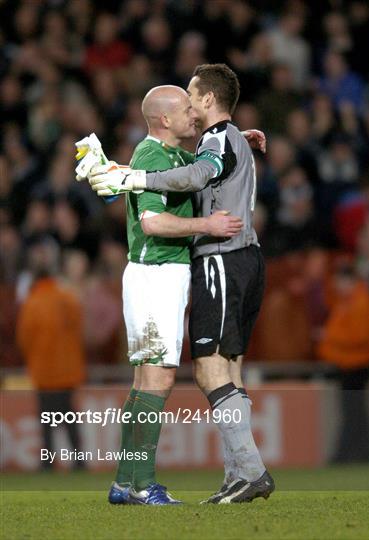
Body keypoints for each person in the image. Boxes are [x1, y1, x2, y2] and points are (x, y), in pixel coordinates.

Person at [88, 64, 275, 503]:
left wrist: (235, 139)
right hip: (155, 276)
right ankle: (140, 482)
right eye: (184, 105)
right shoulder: (154, 155)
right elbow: (152, 222)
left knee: (158, 378)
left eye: (195, 99)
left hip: (186, 272)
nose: (192, 110)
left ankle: (129, 481)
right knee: (158, 379)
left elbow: (204, 167)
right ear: (165, 120)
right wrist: (204, 219)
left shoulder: (182, 153)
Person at [16, 237, 86, 470]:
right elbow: (79, 330)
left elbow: (24, 339)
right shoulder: (68, 298)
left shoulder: (33, 302)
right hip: (69, 372)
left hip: (45, 373)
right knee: (70, 420)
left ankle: (48, 462)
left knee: (47, 421)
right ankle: (79, 461)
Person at [317, 263, 369, 462]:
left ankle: (348, 455)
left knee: (354, 413)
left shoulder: (360, 303)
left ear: (350, 281)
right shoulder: (348, 301)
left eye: (340, 282)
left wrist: (330, 337)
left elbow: (362, 337)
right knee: (355, 412)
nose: (336, 286)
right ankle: (360, 454)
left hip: (356, 365)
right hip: (348, 365)